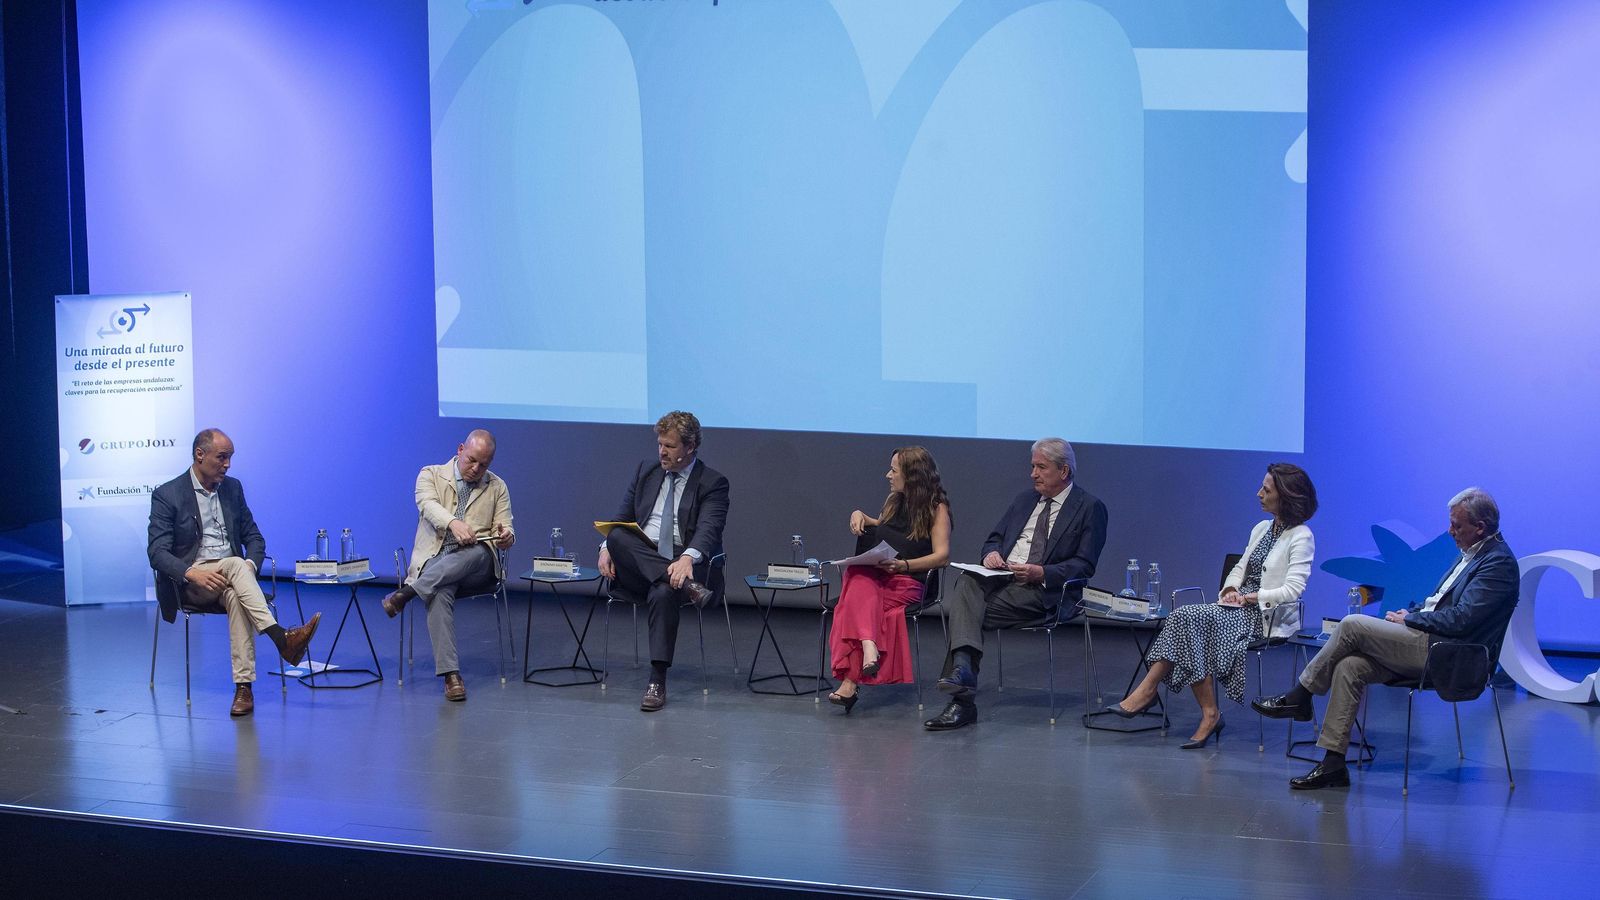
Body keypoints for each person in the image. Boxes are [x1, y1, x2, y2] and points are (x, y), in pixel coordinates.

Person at [1253, 488, 1520, 789]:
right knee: (1350, 666)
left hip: (1449, 654)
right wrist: (1412, 613)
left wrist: (1411, 620)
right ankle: (1333, 764)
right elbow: (1438, 604)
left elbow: (1463, 619)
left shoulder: (1498, 564)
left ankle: (1300, 695)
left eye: (1456, 525)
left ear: (1480, 527)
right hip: (1428, 640)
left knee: (1352, 625)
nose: (1450, 531)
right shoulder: (1471, 555)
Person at [1108, 463, 1317, 748]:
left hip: (1265, 617)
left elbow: (1293, 590)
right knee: (1186, 618)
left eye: (1266, 490)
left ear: (1286, 496)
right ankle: (1196, 709)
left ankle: (1158, 695)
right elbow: (1240, 568)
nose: (1258, 494)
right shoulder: (1261, 528)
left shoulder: (1302, 536)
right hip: (1236, 609)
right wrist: (1231, 590)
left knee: (1190, 620)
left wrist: (1251, 597)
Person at [924, 437, 1108, 731]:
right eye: (1032, 466)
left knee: (967, 613)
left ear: (1063, 471)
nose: (1033, 474)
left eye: (1041, 467)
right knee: (967, 582)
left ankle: (962, 699)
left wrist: (1042, 572)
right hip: (1001, 580)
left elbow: (1085, 565)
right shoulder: (1024, 501)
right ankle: (962, 674)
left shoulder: (1089, 507)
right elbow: (994, 539)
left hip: (1046, 593)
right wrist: (991, 554)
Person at [148, 428, 321, 717]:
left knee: (237, 595)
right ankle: (281, 638)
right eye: (222, 457)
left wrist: (249, 567)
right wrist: (191, 573)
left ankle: (243, 688)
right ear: (200, 455)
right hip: (191, 582)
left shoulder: (232, 488)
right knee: (236, 565)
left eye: (230, 458)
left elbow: (254, 538)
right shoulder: (168, 494)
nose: (227, 465)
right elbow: (157, 552)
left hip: (233, 578)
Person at [598, 411, 730, 712]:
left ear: (690, 446)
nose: (662, 452)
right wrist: (606, 547)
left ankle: (657, 680)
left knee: (663, 591)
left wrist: (686, 558)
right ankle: (685, 585)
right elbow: (622, 518)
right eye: (660, 444)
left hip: (685, 561)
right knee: (617, 536)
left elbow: (709, 528)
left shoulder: (712, 482)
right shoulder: (646, 471)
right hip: (642, 559)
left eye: (669, 446)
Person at [381, 429, 515, 702]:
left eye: (483, 465)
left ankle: (407, 593)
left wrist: (506, 537)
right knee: (439, 590)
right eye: (472, 460)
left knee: (476, 553)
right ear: (460, 449)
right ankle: (451, 675)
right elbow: (427, 505)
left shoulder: (497, 486)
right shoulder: (430, 474)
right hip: (436, 561)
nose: (476, 469)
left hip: (477, 567)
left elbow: (507, 526)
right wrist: (454, 523)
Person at [826, 447, 952, 714]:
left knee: (850, 602)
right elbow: (886, 529)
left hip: (910, 582)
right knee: (857, 575)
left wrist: (903, 565)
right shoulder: (894, 501)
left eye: (894, 470)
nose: (888, 475)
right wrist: (861, 516)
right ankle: (868, 645)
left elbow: (942, 557)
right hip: (880, 580)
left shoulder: (936, 508)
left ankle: (849, 682)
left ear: (912, 475)